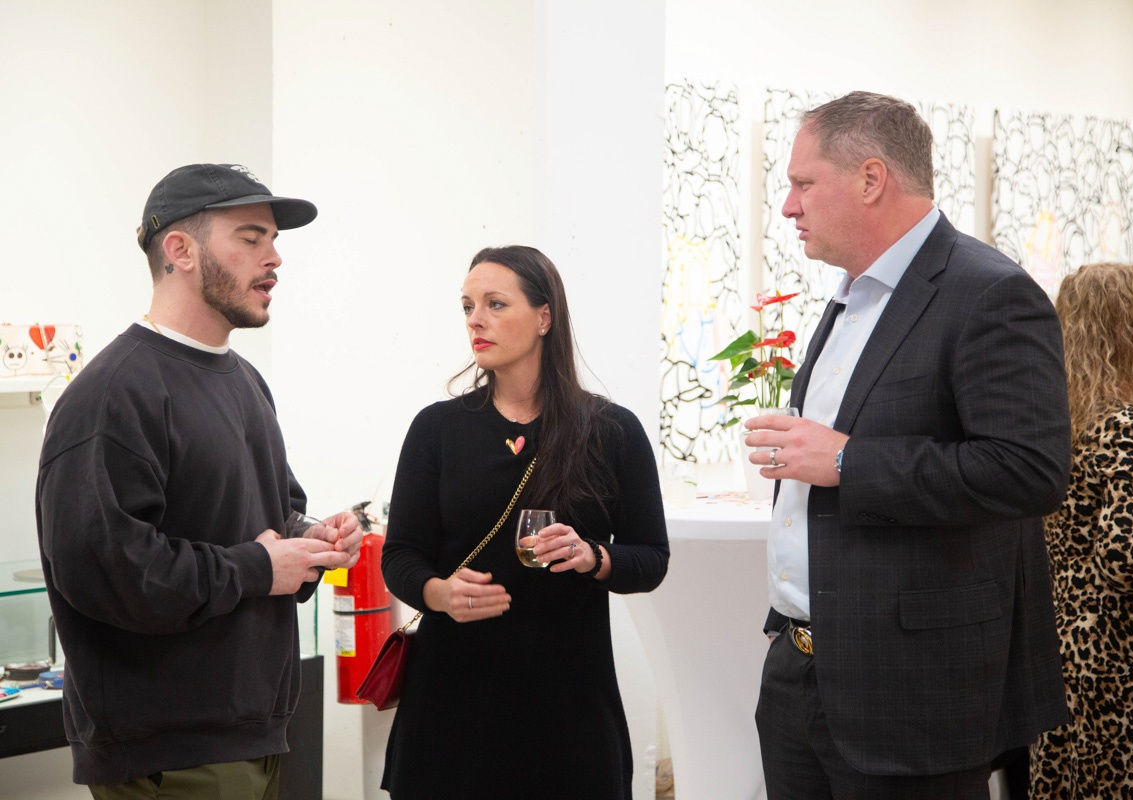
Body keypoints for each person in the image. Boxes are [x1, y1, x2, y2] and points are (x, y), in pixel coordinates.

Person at [743, 91, 1072, 799]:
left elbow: (1029, 470)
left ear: (869, 179)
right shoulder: (847, 298)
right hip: (801, 674)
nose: (788, 207)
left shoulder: (990, 294)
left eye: (802, 184)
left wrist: (844, 461)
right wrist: (787, 625)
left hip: (911, 693)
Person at [35, 163, 362, 799]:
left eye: (274, 240)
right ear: (179, 250)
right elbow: (110, 573)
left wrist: (311, 540)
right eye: (250, 237)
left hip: (253, 735)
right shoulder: (113, 395)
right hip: (170, 753)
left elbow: (267, 515)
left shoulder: (243, 381)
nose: (274, 259)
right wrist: (260, 567)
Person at [379, 245, 670, 800]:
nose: (476, 320)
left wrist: (594, 556)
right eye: (467, 306)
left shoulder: (611, 431)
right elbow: (401, 556)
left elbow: (652, 559)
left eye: (494, 303)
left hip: (568, 707)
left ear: (544, 316)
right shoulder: (437, 429)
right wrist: (438, 592)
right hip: (452, 705)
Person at [1028, 262, 1133, 798]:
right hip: (1124, 672)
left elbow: (1085, 495)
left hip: (1063, 658)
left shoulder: (1061, 420)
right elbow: (1126, 564)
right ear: (1124, 331)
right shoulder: (1131, 429)